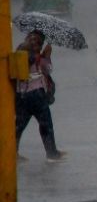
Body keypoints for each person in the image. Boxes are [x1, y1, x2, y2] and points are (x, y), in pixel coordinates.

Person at [14, 30, 64, 161]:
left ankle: (12, 153)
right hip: (36, 94)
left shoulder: (20, 51)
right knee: (46, 124)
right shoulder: (38, 57)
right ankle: (52, 153)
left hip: (21, 95)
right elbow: (48, 69)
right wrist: (47, 56)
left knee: (19, 125)